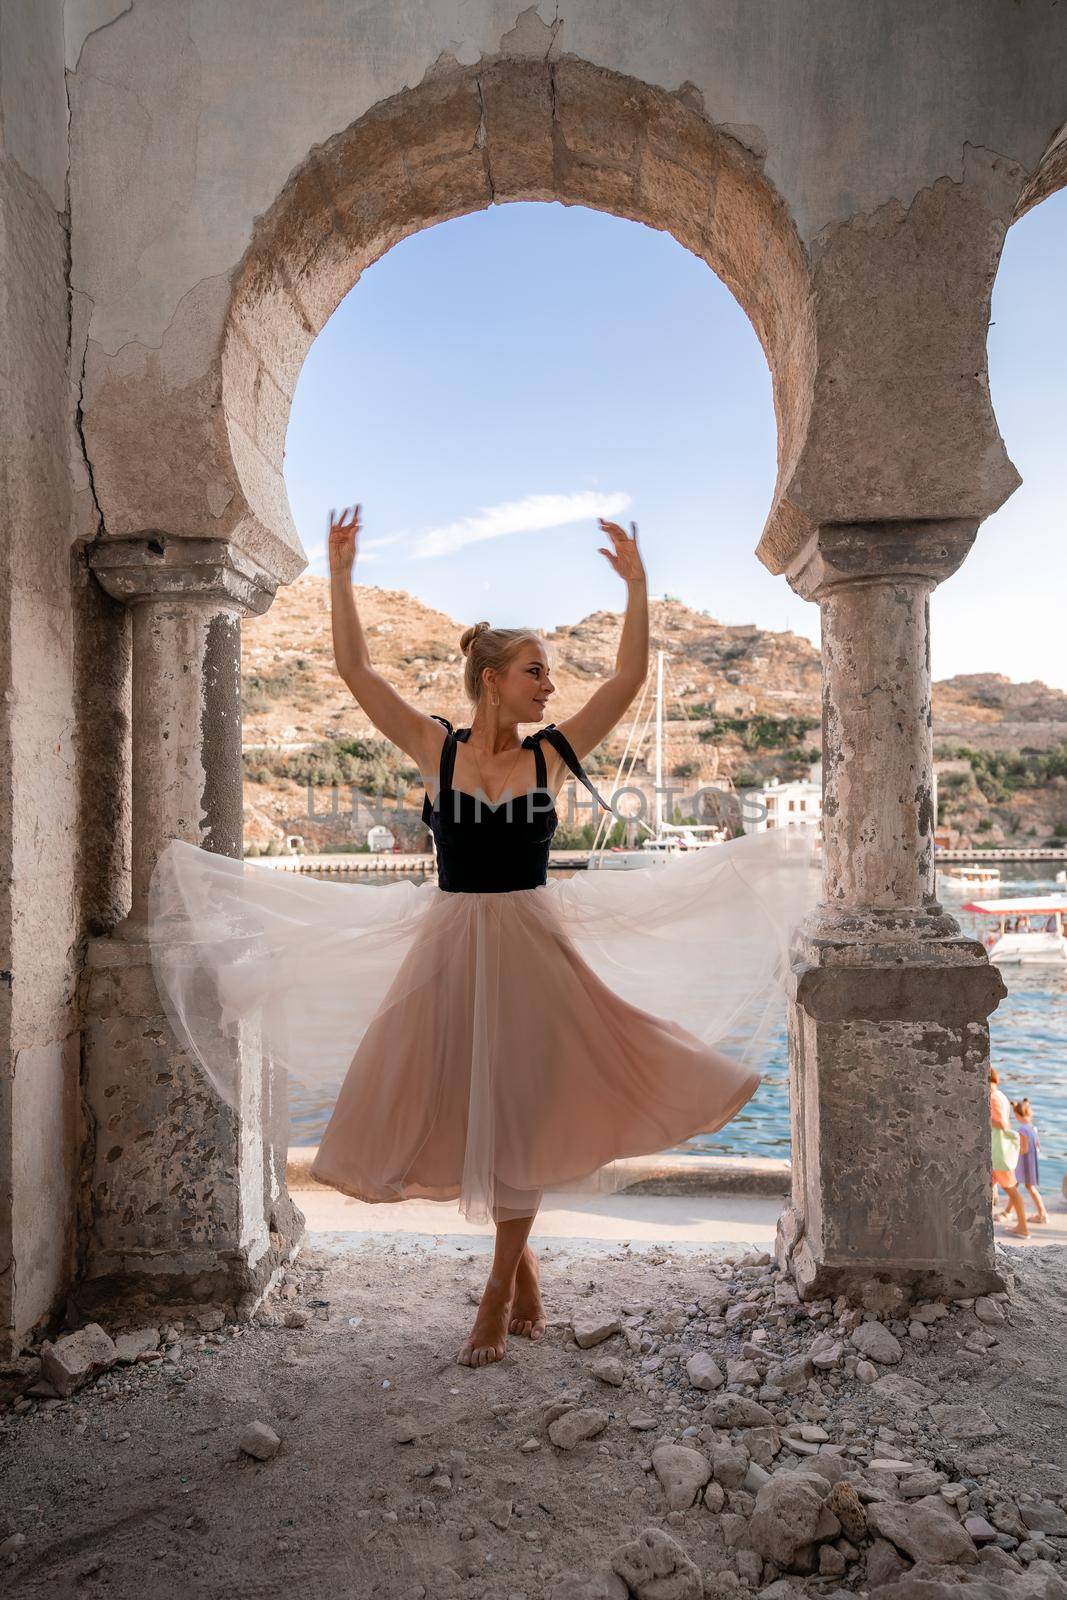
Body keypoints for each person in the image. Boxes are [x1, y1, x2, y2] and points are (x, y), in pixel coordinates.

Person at [145, 505, 820, 1369]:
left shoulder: (554, 755)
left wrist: (639, 588)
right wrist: (341, 573)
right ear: (493, 678)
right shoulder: (437, 748)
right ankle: (523, 1265)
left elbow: (626, 680)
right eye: (536, 673)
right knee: (461, 1108)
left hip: (535, 951)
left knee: (525, 1111)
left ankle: (496, 1291)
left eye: (550, 675)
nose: (550, 688)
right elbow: (354, 670)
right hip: (452, 948)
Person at [989, 1068, 1028, 1239]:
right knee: (989, 1189)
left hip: (998, 1153)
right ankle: (985, 1228)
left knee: (1011, 1189)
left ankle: (1023, 1227)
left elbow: (1002, 1124)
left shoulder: (993, 1097)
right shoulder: (1002, 1096)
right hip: (996, 1151)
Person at [1010, 1098, 1048, 1225]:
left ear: (1016, 1115)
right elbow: (1037, 1146)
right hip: (1032, 1162)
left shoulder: (1022, 1130)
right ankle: (1008, 1211)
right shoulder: (1032, 1128)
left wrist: (1014, 1151)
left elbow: (1024, 1149)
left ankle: (1042, 1214)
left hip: (1024, 1163)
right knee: (1016, 1185)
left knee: (1025, 1186)